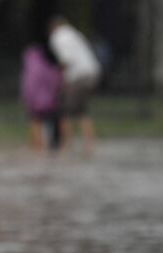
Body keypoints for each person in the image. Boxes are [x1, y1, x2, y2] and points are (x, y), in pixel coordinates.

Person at [48, 16, 102, 157]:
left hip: (78, 76)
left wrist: (54, 72)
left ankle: (66, 145)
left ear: (53, 27)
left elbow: (66, 60)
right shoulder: (74, 33)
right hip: (92, 73)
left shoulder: (58, 37)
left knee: (65, 110)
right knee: (82, 111)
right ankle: (89, 145)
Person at [20, 43, 62, 153]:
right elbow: (56, 80)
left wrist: (27, 100)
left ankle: (37, 145)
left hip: (34, 102)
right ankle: (49, 145)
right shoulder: (45, 66)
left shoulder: (29, 70)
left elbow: (27, 88)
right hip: (49, 101)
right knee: (49, 123)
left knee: (35, 122)